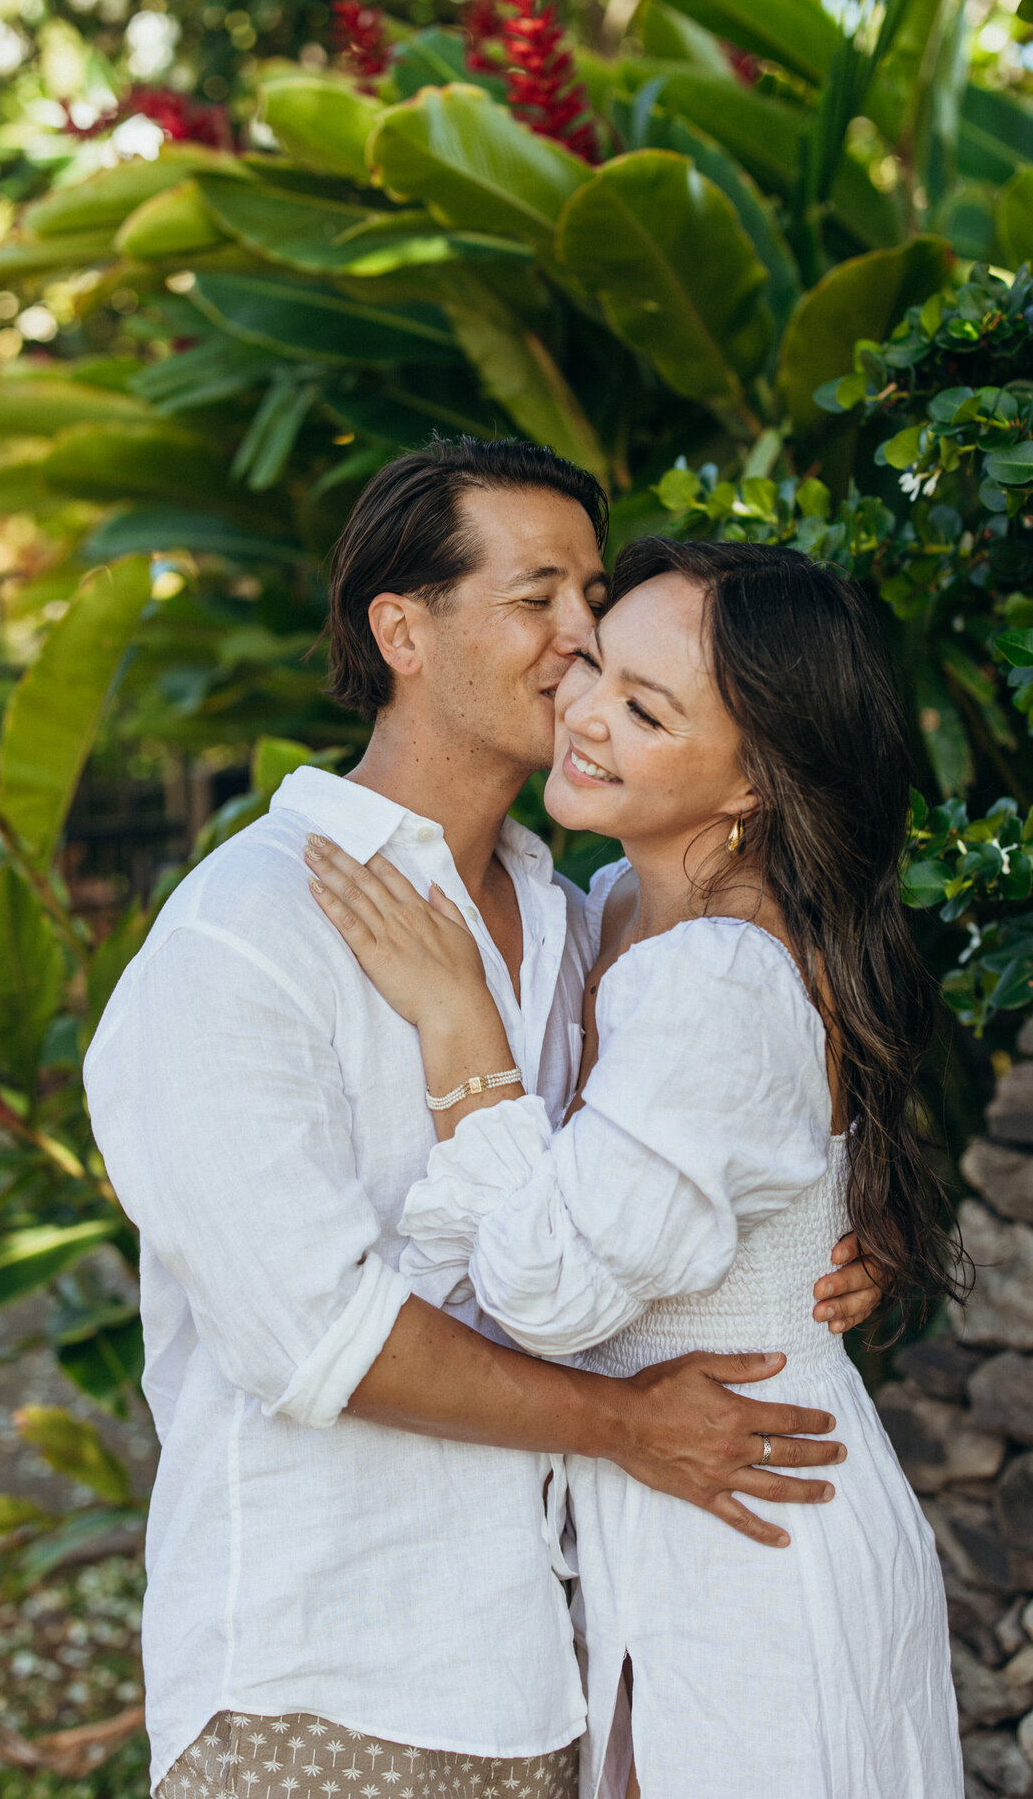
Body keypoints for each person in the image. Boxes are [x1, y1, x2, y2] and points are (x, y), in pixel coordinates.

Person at [84, 446, 882, 1799]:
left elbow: (669, 1176)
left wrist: (836, 1247)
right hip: (323, 1680)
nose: (581, 636)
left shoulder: (578, 924)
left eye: (592, 593)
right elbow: (315, 1338)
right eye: (536, 600)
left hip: (552, 1675)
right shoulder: (247, 931)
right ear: (403, 629)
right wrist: (627, 1423)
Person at [306, 535, 966, 1799]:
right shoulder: (615, 903)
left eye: (648, 710)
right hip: (670, 1510)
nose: (588, 713)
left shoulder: (714, 973)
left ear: (754, 786)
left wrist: (461, 1028)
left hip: (758, 1523)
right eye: (600, 665)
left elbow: (548, 1291)